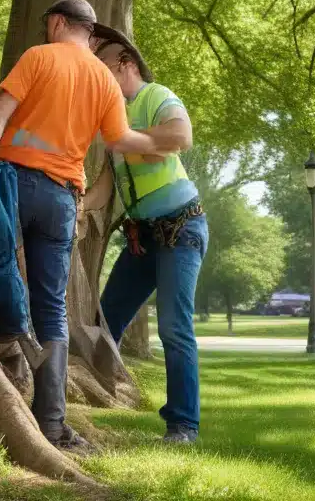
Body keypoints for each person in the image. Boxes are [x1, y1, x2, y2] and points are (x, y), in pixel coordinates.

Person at [0, 0, 163, 451]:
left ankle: (4, 341)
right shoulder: (104, 79)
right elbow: (118, 141)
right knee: (53, 310)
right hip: (62, 198)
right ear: (90, 31)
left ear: (57, 23)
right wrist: (160, 142)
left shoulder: (39, 57)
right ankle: (52, 425)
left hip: (13, 183)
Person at [82, 30, 207, 445]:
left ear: (127, 65)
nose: (97, 81)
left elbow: (180, 136)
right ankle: (92, 402)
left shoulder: (156, 95)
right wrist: (78, 208)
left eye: (103, 71)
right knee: (106, 321)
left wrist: (129, 141)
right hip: (141, 239)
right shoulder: (111, 118)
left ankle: (183, 426)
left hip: (181, 228)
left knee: (174, 326)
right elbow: (105, 186)